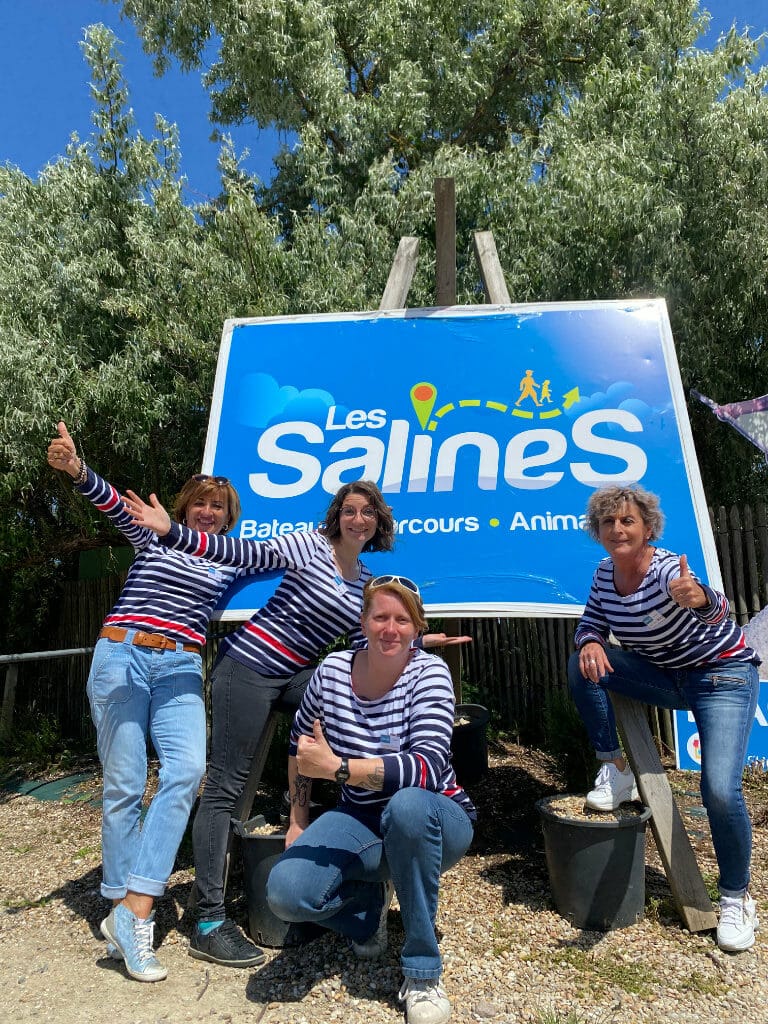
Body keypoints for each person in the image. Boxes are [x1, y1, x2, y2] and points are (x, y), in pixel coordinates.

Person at [124, 484, 470, 970]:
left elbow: (362, 646)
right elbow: (244, 551)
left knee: (335, 705)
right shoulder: (309, 544)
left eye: (367, 512)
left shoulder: (365, 581)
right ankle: (208, 919)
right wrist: (174, 532)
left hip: (295, 676)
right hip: (246, 668)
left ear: (377, 523)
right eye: (349, 510)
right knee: (225, 784)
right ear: (337, 517)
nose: (357, 519)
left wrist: (416, 642)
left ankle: (330, 826)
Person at [47, 422, 252, 983]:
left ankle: (132, 909)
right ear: (185, 509)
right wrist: (76, 470)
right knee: (124, 784)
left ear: (227, 518)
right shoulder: (154, 538)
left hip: (182, 663)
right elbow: (114, 505)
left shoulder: (231, 558)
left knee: (186, 771)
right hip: (123, 656)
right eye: (201, 504)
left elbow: (295, 570)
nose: (208, 512)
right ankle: (123, 909)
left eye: (219, 507)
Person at [265, 575, 476, 1024]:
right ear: (362, 621)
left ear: (417, 629)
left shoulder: (430, 673)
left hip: (437, 815)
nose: (390, 628)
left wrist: (340, 769)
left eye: (403, 620)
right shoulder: (332, 671)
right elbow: (300, 744)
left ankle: (422, 972)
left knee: (407, 805)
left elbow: (425, 767)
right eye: (380, 616)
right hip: (359, 816)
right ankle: (368, 911)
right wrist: (298, 819)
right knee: (285, 894)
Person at [568, 484, 760, 953]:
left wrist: (698, 597)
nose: (618, 529)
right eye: (609, 522)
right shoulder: (602, 574)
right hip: (667, 677)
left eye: (628, 521)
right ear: (599, 531)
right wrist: (591, 640)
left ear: (647, 528)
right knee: (582, 663)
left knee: (718, 789)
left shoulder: (668, 569)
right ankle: (615, 769)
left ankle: (736, 897)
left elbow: (719, 610)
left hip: (722, 677)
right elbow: (590, 622)